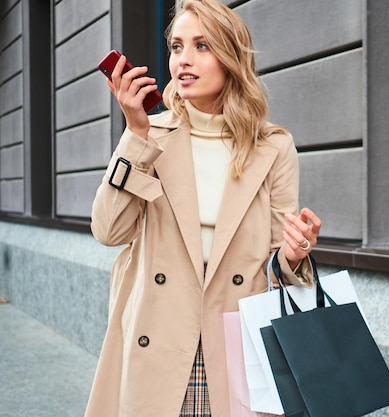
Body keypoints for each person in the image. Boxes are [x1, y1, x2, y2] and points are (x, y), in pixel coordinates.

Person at [84, 0, 321, 416]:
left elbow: (274, 259)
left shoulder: (273, 146)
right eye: (177, 47)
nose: (184, 60)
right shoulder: (150, 134)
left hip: (233, 342)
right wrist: (135, 133)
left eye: (202, 46)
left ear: (231, 58)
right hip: (159, 335)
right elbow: (108, 231)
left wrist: (293, 253)